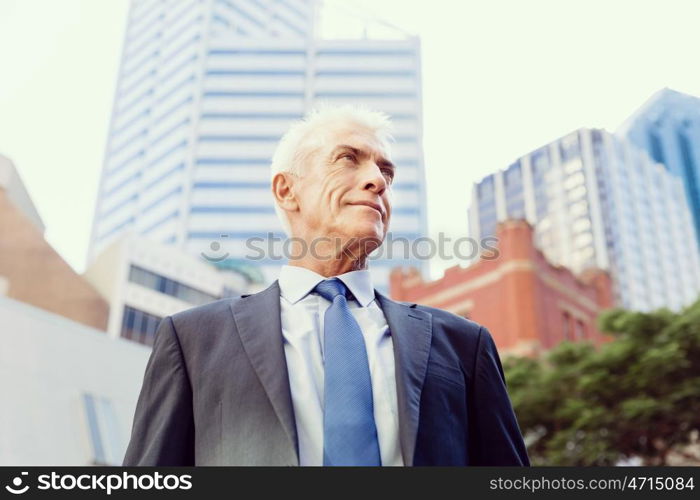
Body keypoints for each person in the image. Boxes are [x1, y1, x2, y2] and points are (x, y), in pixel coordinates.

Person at [122, 104, 530, 466]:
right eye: (348, 160)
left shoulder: (463, 344)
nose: (377, 180)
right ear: (287, 190)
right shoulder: (192, 339)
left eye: (386, 171)